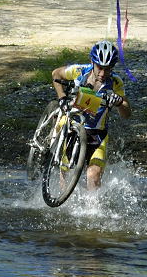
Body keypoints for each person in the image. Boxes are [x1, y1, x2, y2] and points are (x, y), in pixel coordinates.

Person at [51, 40, 132, 190]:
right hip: (73, 126)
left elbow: (127, 113)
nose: (102, 74)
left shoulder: (115, 82)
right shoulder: (79, 71)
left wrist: (119, 102)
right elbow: (56, 74)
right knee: (67, 173)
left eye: (107, 69)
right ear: (92, 62)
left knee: (93, 175)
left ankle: (93, 210)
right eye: (100, 68)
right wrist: (61, 97)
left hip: (97, 133)